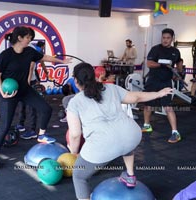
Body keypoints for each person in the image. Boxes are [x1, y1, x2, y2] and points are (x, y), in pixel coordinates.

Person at [66, 63, 172, 200]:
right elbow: (137, 97)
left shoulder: (74, 102)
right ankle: (130, 175)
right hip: (132, 135)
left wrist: (74, 153)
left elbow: (75, 134)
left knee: (79, 176)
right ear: (95, 76)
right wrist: (158, 94)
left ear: (76, 81)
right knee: (125, 140)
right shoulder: (111, 88)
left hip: (103, 145)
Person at [0, 26, 71, 170]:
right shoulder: (5, 55)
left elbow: (45, 57)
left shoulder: (29, 52)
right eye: (28, 37)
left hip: (25, 90)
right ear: (19, 38)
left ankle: (41, 135)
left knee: (46, 109)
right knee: (5, 126)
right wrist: (2, 92)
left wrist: (62, 61)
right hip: (10, 93)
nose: (30, 39)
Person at [142, 28, 182, 144]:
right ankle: (146, 125)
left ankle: (175, 132)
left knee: (167, 106)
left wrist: (178, 72)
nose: (165, 40)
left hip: (166, 83)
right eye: (163, 38)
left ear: (172, 39)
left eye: (168, 38)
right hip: (153, 81)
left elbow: (179, 61)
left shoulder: (175, 51)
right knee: (148, 104)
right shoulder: (155, 49)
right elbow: (149, 63)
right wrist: (162, 65)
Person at [18, 40, 51, 139]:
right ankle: (21, 124)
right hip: (24, 80)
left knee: (31, 106)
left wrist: (27, 82)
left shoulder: (33, 50)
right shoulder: (19, 49)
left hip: (30, 79)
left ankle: (32, 130)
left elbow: (32, 67)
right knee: (21, 103)